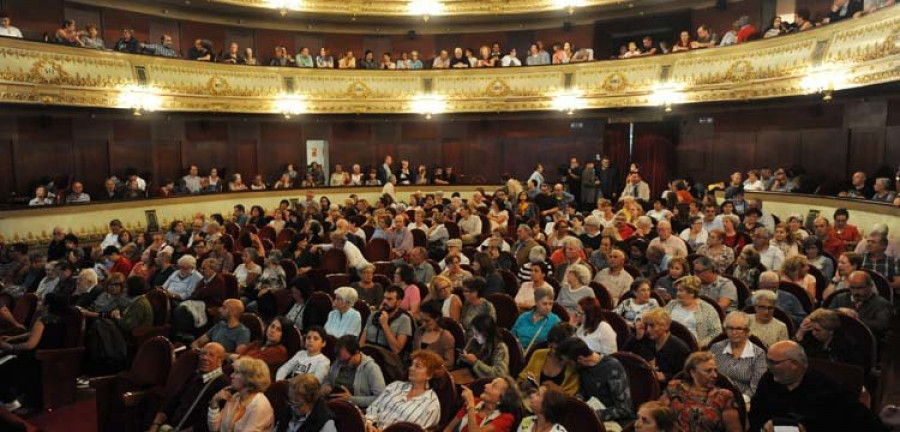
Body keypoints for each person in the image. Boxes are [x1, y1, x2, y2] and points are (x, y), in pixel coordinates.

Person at [749, 341, 887, 431]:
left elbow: (852, 418)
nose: (769, 366)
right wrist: (763, 426)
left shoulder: (826, 387)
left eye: (773, 362)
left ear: (794, 364)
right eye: (768, 361)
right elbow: (756, 412)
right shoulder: (768, 380)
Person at [0, 293, 70, 411]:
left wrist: (10, 347)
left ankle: (10, 401)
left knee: (3, 368)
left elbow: (30, 345)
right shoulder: (61, 320)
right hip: (52, 357)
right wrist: (13, 338)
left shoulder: (42, 320)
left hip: (35, 359)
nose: (39, 303)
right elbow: (34, 333)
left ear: (47, 306)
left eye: (42, 302)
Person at [148, 343, 229, 432]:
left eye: (211, 355)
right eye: (203, 353)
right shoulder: (195, 375)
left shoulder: (223, 383)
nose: (204, 358)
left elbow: (206, 423)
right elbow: (173, 401)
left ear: (220, 361)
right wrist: (155, 425)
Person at [557, 337, 634, 430]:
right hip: (591, 414)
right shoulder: (582, 367)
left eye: (569, 363)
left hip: (615, 420)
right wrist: (579, 400)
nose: (568, 367)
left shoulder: (612, 368)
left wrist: (593, 414)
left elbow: (624, 409)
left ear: (580, 359)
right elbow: (584, 391)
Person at [659, 351, 742, 432]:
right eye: (708, 371)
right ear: (693, 373)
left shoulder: (724, 396)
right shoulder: (675, 387)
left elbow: (735, 429)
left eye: (715, 370)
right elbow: (656, 415)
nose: (715, 375)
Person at [364, 350, 442, 431]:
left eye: (417, 366)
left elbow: (420, 430)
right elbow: (375, 406)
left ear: (429, 375)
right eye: (412, 365)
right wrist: (369, 422)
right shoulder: (395, 386)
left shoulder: (431, 405)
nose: (411, 368)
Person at [623, 308, 691, 385]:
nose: (648, 330)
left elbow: (686, 378)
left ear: (665, 327)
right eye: (647, 325)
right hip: (642, 384)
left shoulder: (680, 348)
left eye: (652, 326)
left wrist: (665, 376)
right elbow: (623, 356)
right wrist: (636, 338)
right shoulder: (645, 339)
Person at [710, 312, 767, 401]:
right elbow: (707, 375)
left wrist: (741, 400)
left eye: (739, 328)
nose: (734, 332)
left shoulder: (759, 354)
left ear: (748, 331)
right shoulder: (716, 347)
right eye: (730, 328)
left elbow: (756, 385)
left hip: (743, 399)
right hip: (714, 395)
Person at [208, 357, 274, 432]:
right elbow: (215, 429)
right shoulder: (235, 397)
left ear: (249, 378)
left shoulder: (259, 405)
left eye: (236, 372)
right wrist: (214, 403)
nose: (231, 376)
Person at [321, 334, 386, 409]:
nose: (342, 365)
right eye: (340, 361)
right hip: (332, 403)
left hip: (354, 409)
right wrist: (326, 386)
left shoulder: (371, 368)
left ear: (357, 353)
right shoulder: (339, 361)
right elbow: (327, 379)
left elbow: (381, 398)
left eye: (346, 361)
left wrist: (352, 399)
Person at [518, 324, 579, 396]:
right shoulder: (538, 354)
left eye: (557, 347)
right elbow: (521, 378)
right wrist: (524, 383)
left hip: (554, 405)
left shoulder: (573, 366)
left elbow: (569, 396)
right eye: (550, 344)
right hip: (530, 398)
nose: (552, 348)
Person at [444, 376, 522, 432]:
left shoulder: (506, 419)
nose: (486, 385)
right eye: (490, 383)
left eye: (494, 386)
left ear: (502, 399)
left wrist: (470, 405)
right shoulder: (476, 401)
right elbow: (449, 428)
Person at [828, 270, 892, 338]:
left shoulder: (881, 304)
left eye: (860, 288)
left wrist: (856, 319)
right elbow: (826, 316)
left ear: (870, 286)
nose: (856, 292)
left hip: (867, 341)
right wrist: (839, 311)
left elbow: (881, 326)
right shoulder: (840, 298)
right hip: (840, 339)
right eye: (852, 287)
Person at [795, 308, 865, 368]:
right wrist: (799, 335)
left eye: (817, 330)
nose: (814, 333)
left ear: (830, 330)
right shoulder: (811, 338)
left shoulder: (846, 345)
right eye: (812, 329)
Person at [665, 275, 722, 347]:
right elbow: (659, 320)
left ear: (691, 292)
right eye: (677, 290)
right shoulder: (672, 304)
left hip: (692, 347)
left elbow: (716, 331)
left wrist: (701, 344)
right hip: (668, 343)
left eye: (681, 290)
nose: (677, 293)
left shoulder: (707, 309)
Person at [360, 285, 413, 355]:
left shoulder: (404, 319)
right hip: (367, 354)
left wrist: (385, 325)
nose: (385, 301)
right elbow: (361, 342)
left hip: (387, 358)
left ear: (399, 302)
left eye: (389, 299)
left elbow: (397, 350)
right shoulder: (374, 315)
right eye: (384, 298)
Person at [511, 285, 561, 350]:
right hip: (518, 352)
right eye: (544, 304)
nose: (548, 307)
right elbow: (512, 336)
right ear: (536, 302)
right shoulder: (524, 317)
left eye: (550, 304)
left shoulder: (555, 321)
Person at [460, 314, 509, 379]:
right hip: (471, 377)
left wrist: (476, 362)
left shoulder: (500, 348)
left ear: (486, 333)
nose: (474, 336)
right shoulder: (474, 340)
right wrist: (464, 357)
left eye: (477, 334)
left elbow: (499, 374)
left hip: (491, 384)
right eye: (473, 333)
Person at [413, 300, 456, 365]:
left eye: (427, 321)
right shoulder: (419, 332)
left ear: (437, 318)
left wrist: (430, 365)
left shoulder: (446, 337)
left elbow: (449, 362)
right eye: (421, 321)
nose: (423, 324)